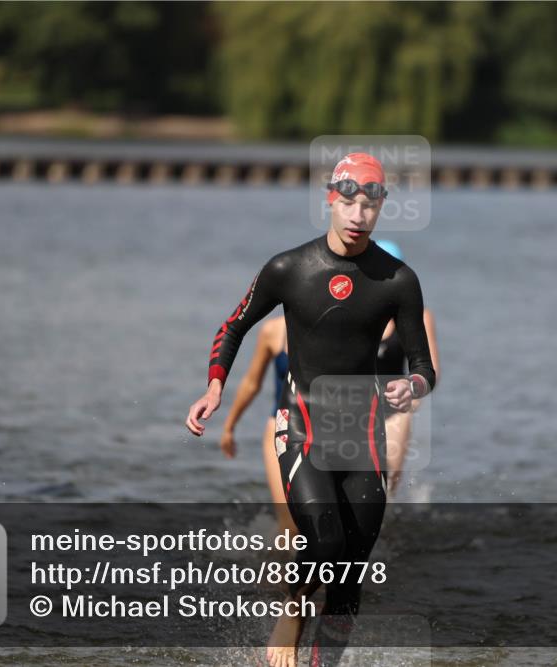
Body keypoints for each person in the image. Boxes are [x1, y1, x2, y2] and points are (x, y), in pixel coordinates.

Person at [186, 152, 436, 667]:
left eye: (369, 203)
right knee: (324, 540)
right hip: (301, 428)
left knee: (350, 574)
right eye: (348, 200)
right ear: (330, 198)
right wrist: (214, 388)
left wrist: (412, 386)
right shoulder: (288, 268)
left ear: (381, 208)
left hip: (361, 436)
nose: (357, 214)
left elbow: (424, 366)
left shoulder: (398, 281)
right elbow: (232, 326)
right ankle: (292, 610)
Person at [217, 240, 440, 527]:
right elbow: (250, 382)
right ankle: (283, 568)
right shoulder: (273, 330)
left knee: (361, 522)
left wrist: (414, 390)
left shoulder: (399, 314)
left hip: (374, 420)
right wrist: (229, 425)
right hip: (291, 422)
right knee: (294, 526)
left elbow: (426, 367)